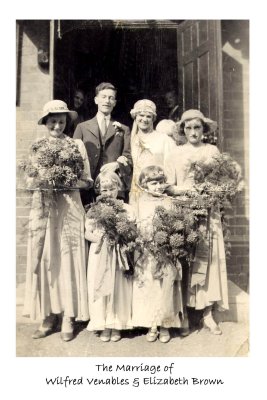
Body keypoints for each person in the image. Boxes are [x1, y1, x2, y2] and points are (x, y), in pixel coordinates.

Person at [22, 100, 92, 342]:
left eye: (61, 121)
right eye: (52, 120)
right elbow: (29, 182)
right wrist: (45, 181)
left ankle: (69, 317)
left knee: (68, 258)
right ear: (45, 122)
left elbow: (87, 181)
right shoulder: (37, 147)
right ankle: (48, 316)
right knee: (48, 258)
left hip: (70, 208)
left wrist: (68, 181)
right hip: (45, 209)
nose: (57, 125)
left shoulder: (76, 145)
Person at [165, 109, 229, 335]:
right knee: (185, 259)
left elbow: (222, 182)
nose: (193, 132)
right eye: (188, 128)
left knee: (207, 259)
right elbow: (169, 186)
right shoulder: (175, 152)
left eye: (197, 127)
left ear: (204, 130)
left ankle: (207, 313)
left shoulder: (212, 151)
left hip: (208, 212)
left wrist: (210, 190)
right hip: (184, 211)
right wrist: (189, 191)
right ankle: (183, 314)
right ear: (183, 130)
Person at [132, 166, 183, 343]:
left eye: (161, 182)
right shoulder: (138, 203)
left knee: (165, 288)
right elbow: (135, 226)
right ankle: (152, 324)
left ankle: (165, 325)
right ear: (144, 184)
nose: (159, 186)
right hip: (146, 252)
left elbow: (177, 224)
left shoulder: (169, 202)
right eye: (154, 183)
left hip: (165, 250)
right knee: (150, 288)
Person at [85, 172, 134, 342]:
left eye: (112, 189)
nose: (108, 193)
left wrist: (120, 235)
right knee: (100, 282)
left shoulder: (126, 209)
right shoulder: (93, 210)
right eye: (104, 189)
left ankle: (116, 324)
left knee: (117, 285)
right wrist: (102, 239)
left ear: (118, 188)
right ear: (98, 190)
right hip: (99, 252)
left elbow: (132, 232)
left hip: (119, 251)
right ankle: (103, 323)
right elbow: (87, 233)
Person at [73, 82, 132, 207]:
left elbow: (129, 157)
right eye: (103, 97)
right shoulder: (82, 127)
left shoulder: (124, 129)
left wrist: (117, 164)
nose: (107, 101)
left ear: (115, 102)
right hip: (88, 189)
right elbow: (74, 158)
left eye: (111, 98)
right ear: (96, 100)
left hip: (114, 189)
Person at [129, 99, 176, 216]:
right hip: (136, 193)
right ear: (135, 116)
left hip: (158, 193)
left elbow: (171, 168)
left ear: (153, 118)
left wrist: (164, 187)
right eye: (141, 115)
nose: (144, 119)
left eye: (148, 116)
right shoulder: (131, 140)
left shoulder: (164, 140)